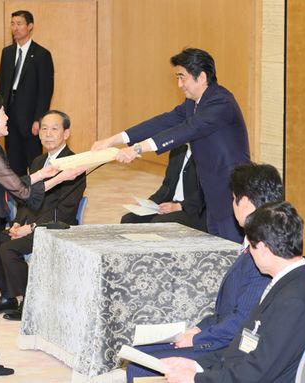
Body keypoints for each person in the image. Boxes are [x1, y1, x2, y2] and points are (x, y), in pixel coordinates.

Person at [0, 93, 84, 376]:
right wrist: (60, 178)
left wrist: (44, 174)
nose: (7, 118)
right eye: (2, 113)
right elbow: (22, 192)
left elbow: (15, 182)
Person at [127, 163, 282, 382]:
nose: (232, 205)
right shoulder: (255, 242)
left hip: (230, 351)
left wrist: (199, 338)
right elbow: (226, 312)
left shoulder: (263, 255)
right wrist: (197, 329)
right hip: (221, 337)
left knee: (140, 365)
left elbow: (241, 322)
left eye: (233, 198)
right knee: (139, 351)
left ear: (244, 203)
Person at [92, 48, 250, 243]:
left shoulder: (221, 102)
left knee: (231, 251)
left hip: (230, 192)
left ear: (201, 77)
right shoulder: (193, 103)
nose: (179, 84)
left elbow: (188, 129)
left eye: (182, 77)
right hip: (211, 193)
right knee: (216, 254)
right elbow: (163, 122)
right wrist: (114, 139)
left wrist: (137, 149)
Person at [161, 201, 305, 382]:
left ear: (264, 249)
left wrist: (196, 379)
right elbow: (245, 347)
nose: (249, 252)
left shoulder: (293, 301)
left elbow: (255, 373)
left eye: (251, 246)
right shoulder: (290, 284)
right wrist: (196, 365)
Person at [0, 110, 87, 321]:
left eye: (54, 129)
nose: (47, 134)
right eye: (44, 129)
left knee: (9, 250)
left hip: (56, 227)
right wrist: (18, 221)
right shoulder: (38, 161)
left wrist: (33, 227)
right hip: (31, 225)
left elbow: (67, 209)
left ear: (66, 133)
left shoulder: (75, 163)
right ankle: (8, 296)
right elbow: (28, 198)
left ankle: (31, 302)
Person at [0, 9, 54, 176]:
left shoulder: (41, 55)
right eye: (12, 24)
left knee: (34, 161)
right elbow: (1, 86)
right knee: (14, 161)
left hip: (30, 118)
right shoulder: (6, 53)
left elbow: (45, 91)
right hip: (9, 114)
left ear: (30, 26)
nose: (15, 28)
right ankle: (18, 199)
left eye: (19, 24)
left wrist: (39, 119)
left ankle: (37, 197)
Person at [120, 144, 206, 232]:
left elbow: (208, 192)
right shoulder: (178, 148)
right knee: (129, 220)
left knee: (158, 223)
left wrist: (180, 206)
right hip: (174, 204)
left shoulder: (209, 154)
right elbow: (167, 186)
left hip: (197, 209)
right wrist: (149, 204)